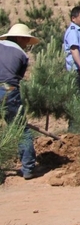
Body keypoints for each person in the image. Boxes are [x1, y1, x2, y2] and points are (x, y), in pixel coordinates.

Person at [0, 24, 41, 180]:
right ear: (19, 38)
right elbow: (17, 78)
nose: (27, 43)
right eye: (26, 40)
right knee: (20, 129)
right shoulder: (22, 55)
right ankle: (28, 168)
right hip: (8, 90)